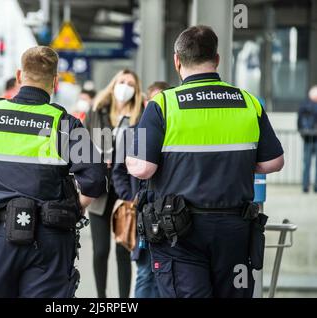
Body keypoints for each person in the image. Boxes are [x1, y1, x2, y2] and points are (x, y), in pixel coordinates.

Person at [0, 46, 106, 298]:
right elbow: (95, 180)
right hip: (50, 239)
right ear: (55, 81)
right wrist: (75, 209)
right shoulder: (65, 123)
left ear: (19, 76)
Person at [126, 25, 284, 298]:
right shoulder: (248, 102)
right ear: (217, 59)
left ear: (177, 61)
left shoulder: (162, 104)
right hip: (235, 229)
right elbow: (274, 162)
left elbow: (143, 168)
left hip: (180, 231)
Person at [85, 69, 143, 298]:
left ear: (136, 91)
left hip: (125, 191)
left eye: (130, 83)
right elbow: (85, 146)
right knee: (100, 250)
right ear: (113, 83)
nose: (125, 87)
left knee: (122, 250)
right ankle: (101, 299)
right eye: (121, 81)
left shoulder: (138, 116)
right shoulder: (97, 111)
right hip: (99, 190)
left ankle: (123, 301)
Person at [113, 81, 170, 298]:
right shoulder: (130, 133)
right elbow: (118, 172)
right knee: (146, 272)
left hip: (170, 212)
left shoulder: (176, 134)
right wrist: (131, 198)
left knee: (167, 273)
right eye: (155, 101)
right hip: (143, 213)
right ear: (146, 103)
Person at [298, 85, 317, 192]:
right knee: (310, 163)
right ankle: (314, 187)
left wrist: (302, 133)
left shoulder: (304, 105)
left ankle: (305, 186)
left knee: (307, 163)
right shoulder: (311, 106)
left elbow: (299, 121)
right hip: (311, 137)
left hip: (307, 137)